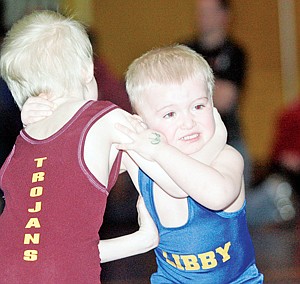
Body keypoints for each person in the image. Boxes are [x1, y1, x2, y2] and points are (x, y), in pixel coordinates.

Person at [0, 10, 161, 283]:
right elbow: (159, 154)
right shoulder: (105, 118)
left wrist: (142, 240)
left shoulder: (21, 144)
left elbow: (49, 252)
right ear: (88, 69)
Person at [114, 45, 263, 283]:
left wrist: (157, 147)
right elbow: (78, 153)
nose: (188, 122)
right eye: (170, 114)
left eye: (198, 106)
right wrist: (37, 118)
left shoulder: (226, 158)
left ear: (213, 106)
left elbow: (215, 195)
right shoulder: (137, 158)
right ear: (141, 123)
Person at [185, 0, 252, 189]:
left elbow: (225, 100)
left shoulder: (236, 53)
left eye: (207, 11)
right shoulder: (184, 51)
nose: (201, 17)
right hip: (194, 144)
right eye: (199, 12)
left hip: (231, 140)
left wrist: (191, 87)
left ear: (224, 16)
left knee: (235, 199)